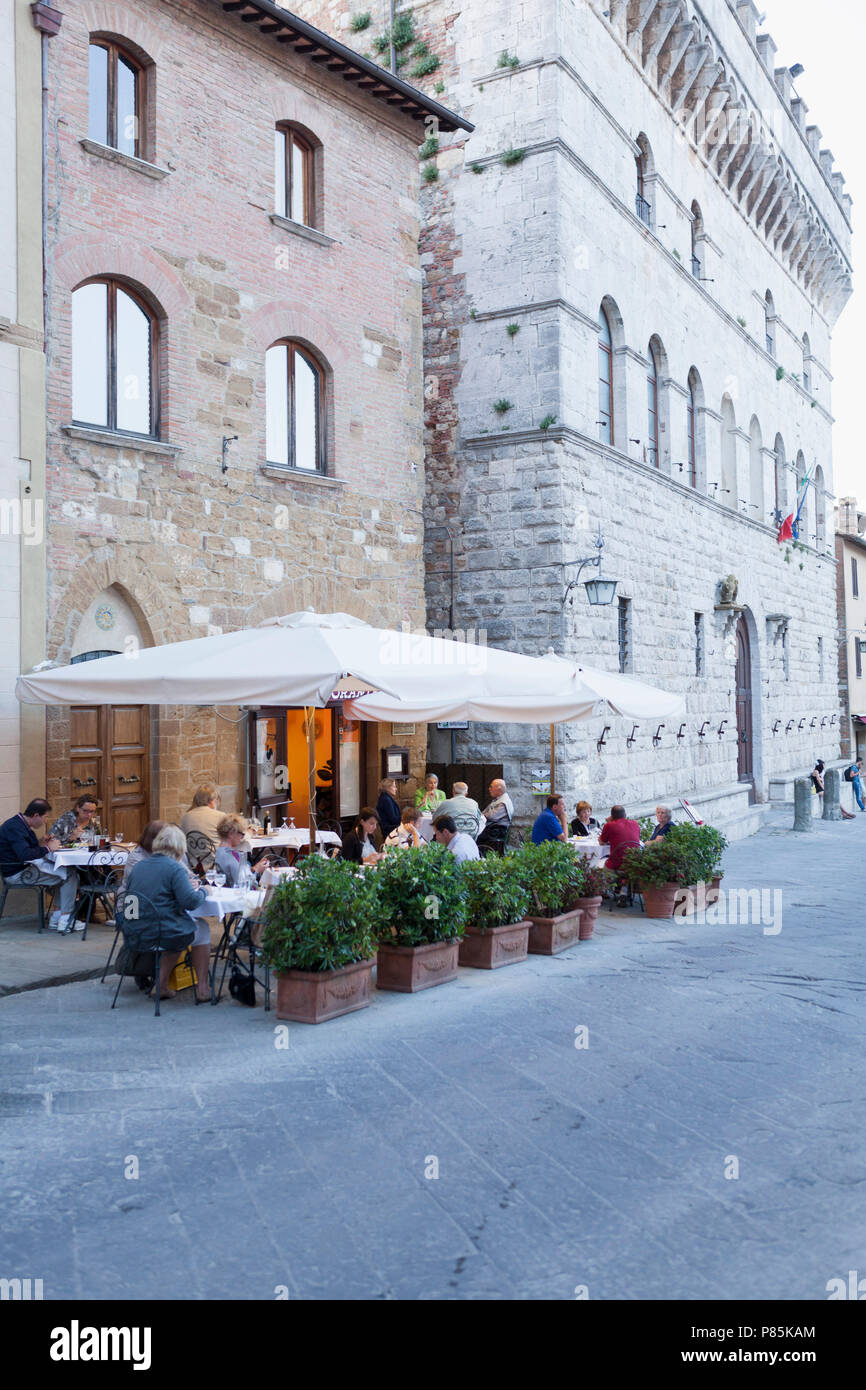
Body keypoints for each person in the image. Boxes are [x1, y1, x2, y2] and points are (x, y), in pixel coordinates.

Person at [122, 824, 209, 1002]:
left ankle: (161, 986)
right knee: (202, 928)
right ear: (180, 847)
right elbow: (190, 902)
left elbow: (132, 899)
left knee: (178, 930)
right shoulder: (174, 868)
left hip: (134, 930)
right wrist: (205, 891)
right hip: (161, 932)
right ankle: (202, 988)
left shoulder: (139, 866)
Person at [0, 798, 80, 932]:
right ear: (36, 815)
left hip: (23, 869)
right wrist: (48, 849)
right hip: (18, 874)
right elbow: (24, 854)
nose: (46, 821)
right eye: (45, 817)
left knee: (64, 872)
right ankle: (66, 920)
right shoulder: (14, 827)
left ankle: (57, 918)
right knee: (70, 874)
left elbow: (28, 848)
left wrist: (42, 842)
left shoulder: (20, 824)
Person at [115, 820, 167, 922]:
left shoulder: (168, 852)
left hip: (155, 906)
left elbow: (186, 873)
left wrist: (192, 880)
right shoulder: (137, 857)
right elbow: (145, 885)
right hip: (132, 910)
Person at [214, 814, 270, 885]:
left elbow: (238, 874)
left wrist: (254, 869)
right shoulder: (229, 856)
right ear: (231, 834)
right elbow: (242, 884)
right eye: (241, 834)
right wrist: (256, 870)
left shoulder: (221, 851)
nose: (242, 837)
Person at [180, 785, 224, 852]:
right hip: (214, 860)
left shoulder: (186, 816)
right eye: (217, 800)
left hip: (192, 860)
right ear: (212, 800)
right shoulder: (220, 816)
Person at [599, 805, 642, 872]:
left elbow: (601, 842)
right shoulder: (635, 823)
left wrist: (609, 822)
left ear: (612, 816)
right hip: (634, 863)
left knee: (600, 867)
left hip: (617, 865)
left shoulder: (609, 825)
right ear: (625, 815)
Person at [477, 778, 514, 852]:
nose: (489, 789)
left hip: (497, 831)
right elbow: (484, 812)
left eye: (491, 787)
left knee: (475, 835)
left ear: (499, 789)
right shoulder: (498, 800)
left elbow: (492, 816)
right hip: (493, 829)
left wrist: (483, 815)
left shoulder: (503, 802)